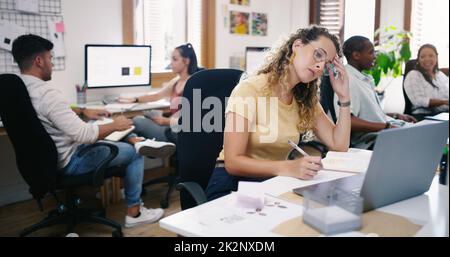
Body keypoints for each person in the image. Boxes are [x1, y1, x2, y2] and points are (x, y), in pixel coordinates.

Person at [12, 34, 167, 228]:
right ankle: (134, 213)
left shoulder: (17, 89)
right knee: (135, 152)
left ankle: (135, 140)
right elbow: (84, 135)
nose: (51, 64)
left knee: (126, 137)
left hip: (40, 164)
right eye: (50, 58)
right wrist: (114, 124)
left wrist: (82, 110)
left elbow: (46, 112)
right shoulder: (47, 94)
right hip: (69, 162)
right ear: (39, 61)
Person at [205, 26, 352, 201]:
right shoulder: (249, 90)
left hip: (272, 183)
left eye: (326, 65)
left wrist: (344, 97)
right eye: (318, 55)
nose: (320, 66)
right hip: (232, 185)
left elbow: (339, 145)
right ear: (297, 46)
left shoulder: (305, 100)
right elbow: (233, 162)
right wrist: (289, 167)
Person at [333, 36, 417, 150]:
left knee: (418, 132)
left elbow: (371, 116)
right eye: (371, 52)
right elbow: (348, 120)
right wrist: (386, 127)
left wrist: (395, 116)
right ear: (356, 55)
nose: (375, 56)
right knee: (416, 141)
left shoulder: (362, 78)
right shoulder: (348, 80)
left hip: (380, 133)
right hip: (368, 141)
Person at [124, 43, 202, 144]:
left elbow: (194, 121)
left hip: (177, 133)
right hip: (172, 127)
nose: (171, 63)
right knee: (136, 121)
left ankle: (142, 144)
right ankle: (143, 144)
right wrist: (135, 99)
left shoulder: (194, 83)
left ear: (186, 61)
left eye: (175, 59)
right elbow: (156, 96)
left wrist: (166, 121)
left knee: (136, 121)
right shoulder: (176, 82)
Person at [404, 44, 449, 121]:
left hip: (443, 114)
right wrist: (443, 102)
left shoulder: (440, 75)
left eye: (431, 56)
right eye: (422, 56)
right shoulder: (413, 75)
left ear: (436, 58)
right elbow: (418, 101)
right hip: (423, 116)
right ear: (418, 59)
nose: (427, 59)